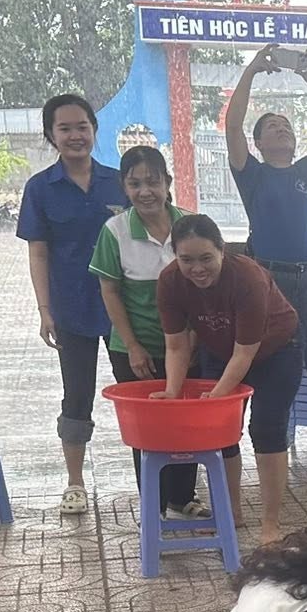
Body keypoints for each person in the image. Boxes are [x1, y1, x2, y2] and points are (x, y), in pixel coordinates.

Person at [223, 45, 307, 474]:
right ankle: (274, 444)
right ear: (259, 144)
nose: (281, 129)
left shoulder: (305, 174)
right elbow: (232, 125)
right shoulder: (252, 175)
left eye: (286, 126)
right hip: (270, 281)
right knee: (272, 363)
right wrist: (250, 71)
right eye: (272, 127)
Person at [156, 215, 305, 547]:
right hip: (220, 349)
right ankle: (230, 513)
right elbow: (177, 346)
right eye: (187, 260)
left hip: (277, 348)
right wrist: (172, 391)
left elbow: (244, 353)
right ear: (175, 256)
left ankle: (270, 523)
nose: (197, 268)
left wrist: (216, 396)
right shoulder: (170, 282)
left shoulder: (247, 277)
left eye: (206, 258)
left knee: (266, 429)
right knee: (220, 433)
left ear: (222, 250)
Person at [19, 93, 126, 517]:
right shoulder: (40, 188)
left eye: (82, 126)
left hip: (124, 309)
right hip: (71, 308)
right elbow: (38, 252)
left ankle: (158, 479)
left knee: (138, 389)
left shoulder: (119, 182)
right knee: (77, 395)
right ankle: (75, 483)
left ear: (94, 130)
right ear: (51, 135)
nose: (75, 135)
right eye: (64, 128)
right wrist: (45, 310)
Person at [91, 144, 199, 518]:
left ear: (168, 182)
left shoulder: (190, 225)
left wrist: (195, 340)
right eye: (135, 184)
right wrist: (133, 346)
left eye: (153, 182)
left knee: (187, 424)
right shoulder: (115, 231)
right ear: (124, 187)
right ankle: (153, 505)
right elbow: (109, 291)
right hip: (137, 350)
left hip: (188, 346)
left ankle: (183, 498)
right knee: (148, 431)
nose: (145, 191)